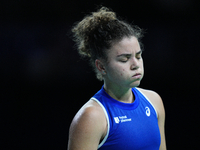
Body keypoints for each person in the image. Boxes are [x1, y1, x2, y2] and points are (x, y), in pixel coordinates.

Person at [68, 7, 166, 150]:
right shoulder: (92, 117)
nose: (135, 65)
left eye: (138, 56)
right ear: (101, 66)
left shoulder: (154, 101)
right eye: (124, 59)